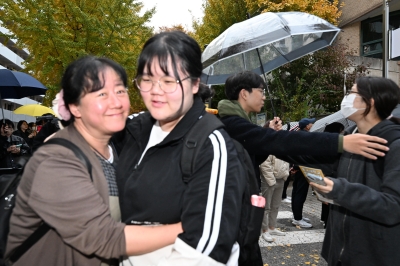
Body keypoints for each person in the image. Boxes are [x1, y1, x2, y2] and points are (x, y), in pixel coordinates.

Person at [5, 56, 183, 265]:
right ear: (75, 107)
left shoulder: (110, 151)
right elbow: (103, 237)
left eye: (120, 91)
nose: (116, 103)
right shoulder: (55, 160)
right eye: (101, 94)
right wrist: (189, 226)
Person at [217, 70, 389, 266]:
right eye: (261, 90)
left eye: (353, 94)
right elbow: (285, 142)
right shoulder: (231, 124)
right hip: (234, 213)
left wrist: (267, 136)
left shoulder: (390, 140)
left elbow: (255, 155)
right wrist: (340, 143)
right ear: (244, 93)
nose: (264, 96)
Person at [113, 31, 244, 265]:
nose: (155, 90)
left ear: (195, 84)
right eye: (147, 79)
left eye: (168, 80)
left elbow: (204, 250)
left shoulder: (211, 145)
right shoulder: (133, 129)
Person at [307, 77, 400, 265]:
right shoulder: (350, 138)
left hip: (373, 255)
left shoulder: (394, 144)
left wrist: (339, 190)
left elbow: (393, 207)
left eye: (352, 93)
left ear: (370, 102)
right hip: (341, 252)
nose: (346, 98)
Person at [260, 121, 289, 242]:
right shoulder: (266, 143)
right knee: (266, 207)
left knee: (276, 205)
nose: (279, 128)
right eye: (275, 126)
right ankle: (264, 230)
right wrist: (271, 181)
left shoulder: (281, 142)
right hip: (269, 180)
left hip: (281, 178)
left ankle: (272, 227)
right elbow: (264, 164)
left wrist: (285, 174)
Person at [291, 118, 315, 228]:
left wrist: (294, 166)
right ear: (307, 126)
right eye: (311, 123)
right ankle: (298, 219)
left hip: (298, 167)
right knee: (300, 194)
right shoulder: (306, 136)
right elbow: (303, 153)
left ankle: (297, 215)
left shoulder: (298, 135)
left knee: (296, 192)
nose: (312, 124)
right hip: (303, 168)